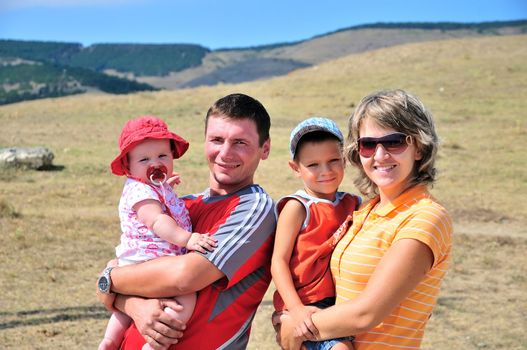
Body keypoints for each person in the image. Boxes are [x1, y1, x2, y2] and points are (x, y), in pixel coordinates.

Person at [275, 89, 453, 349]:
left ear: (418, 147)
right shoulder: (364, 210)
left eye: (394, 142)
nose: (380, 155)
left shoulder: (425, 217)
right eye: (368, 144)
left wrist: (294, 327)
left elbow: (365, 314)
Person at [96, 93, 276, 349]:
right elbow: (104, 290)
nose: (225, 153)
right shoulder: (180, 206)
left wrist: (111, 278)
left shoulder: (254, 208)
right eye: (216, 139)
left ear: (265, 148)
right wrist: (135, 306)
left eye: (240, 142)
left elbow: (184, 277)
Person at [99, 116, 217, 350]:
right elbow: (157, 221)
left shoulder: (151, 188)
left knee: (131, 305)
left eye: (162, 156)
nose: (155, 163)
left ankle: (110, 340)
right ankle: (155, 343)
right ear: (129, 167)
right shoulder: (139, 192)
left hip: (139, 262)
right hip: (149, 260)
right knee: (186, 298)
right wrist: (188, 238)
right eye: (144, 159)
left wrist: (165, 189)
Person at [271, 117, 360, 350]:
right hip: (306, 305)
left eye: (333, 161)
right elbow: (278, 261)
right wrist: (296, 309)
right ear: (295, 168)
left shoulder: (354, 204)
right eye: (313, 165)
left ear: (344, 160)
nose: (326, 171)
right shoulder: (298, 207)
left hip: (342, 305)